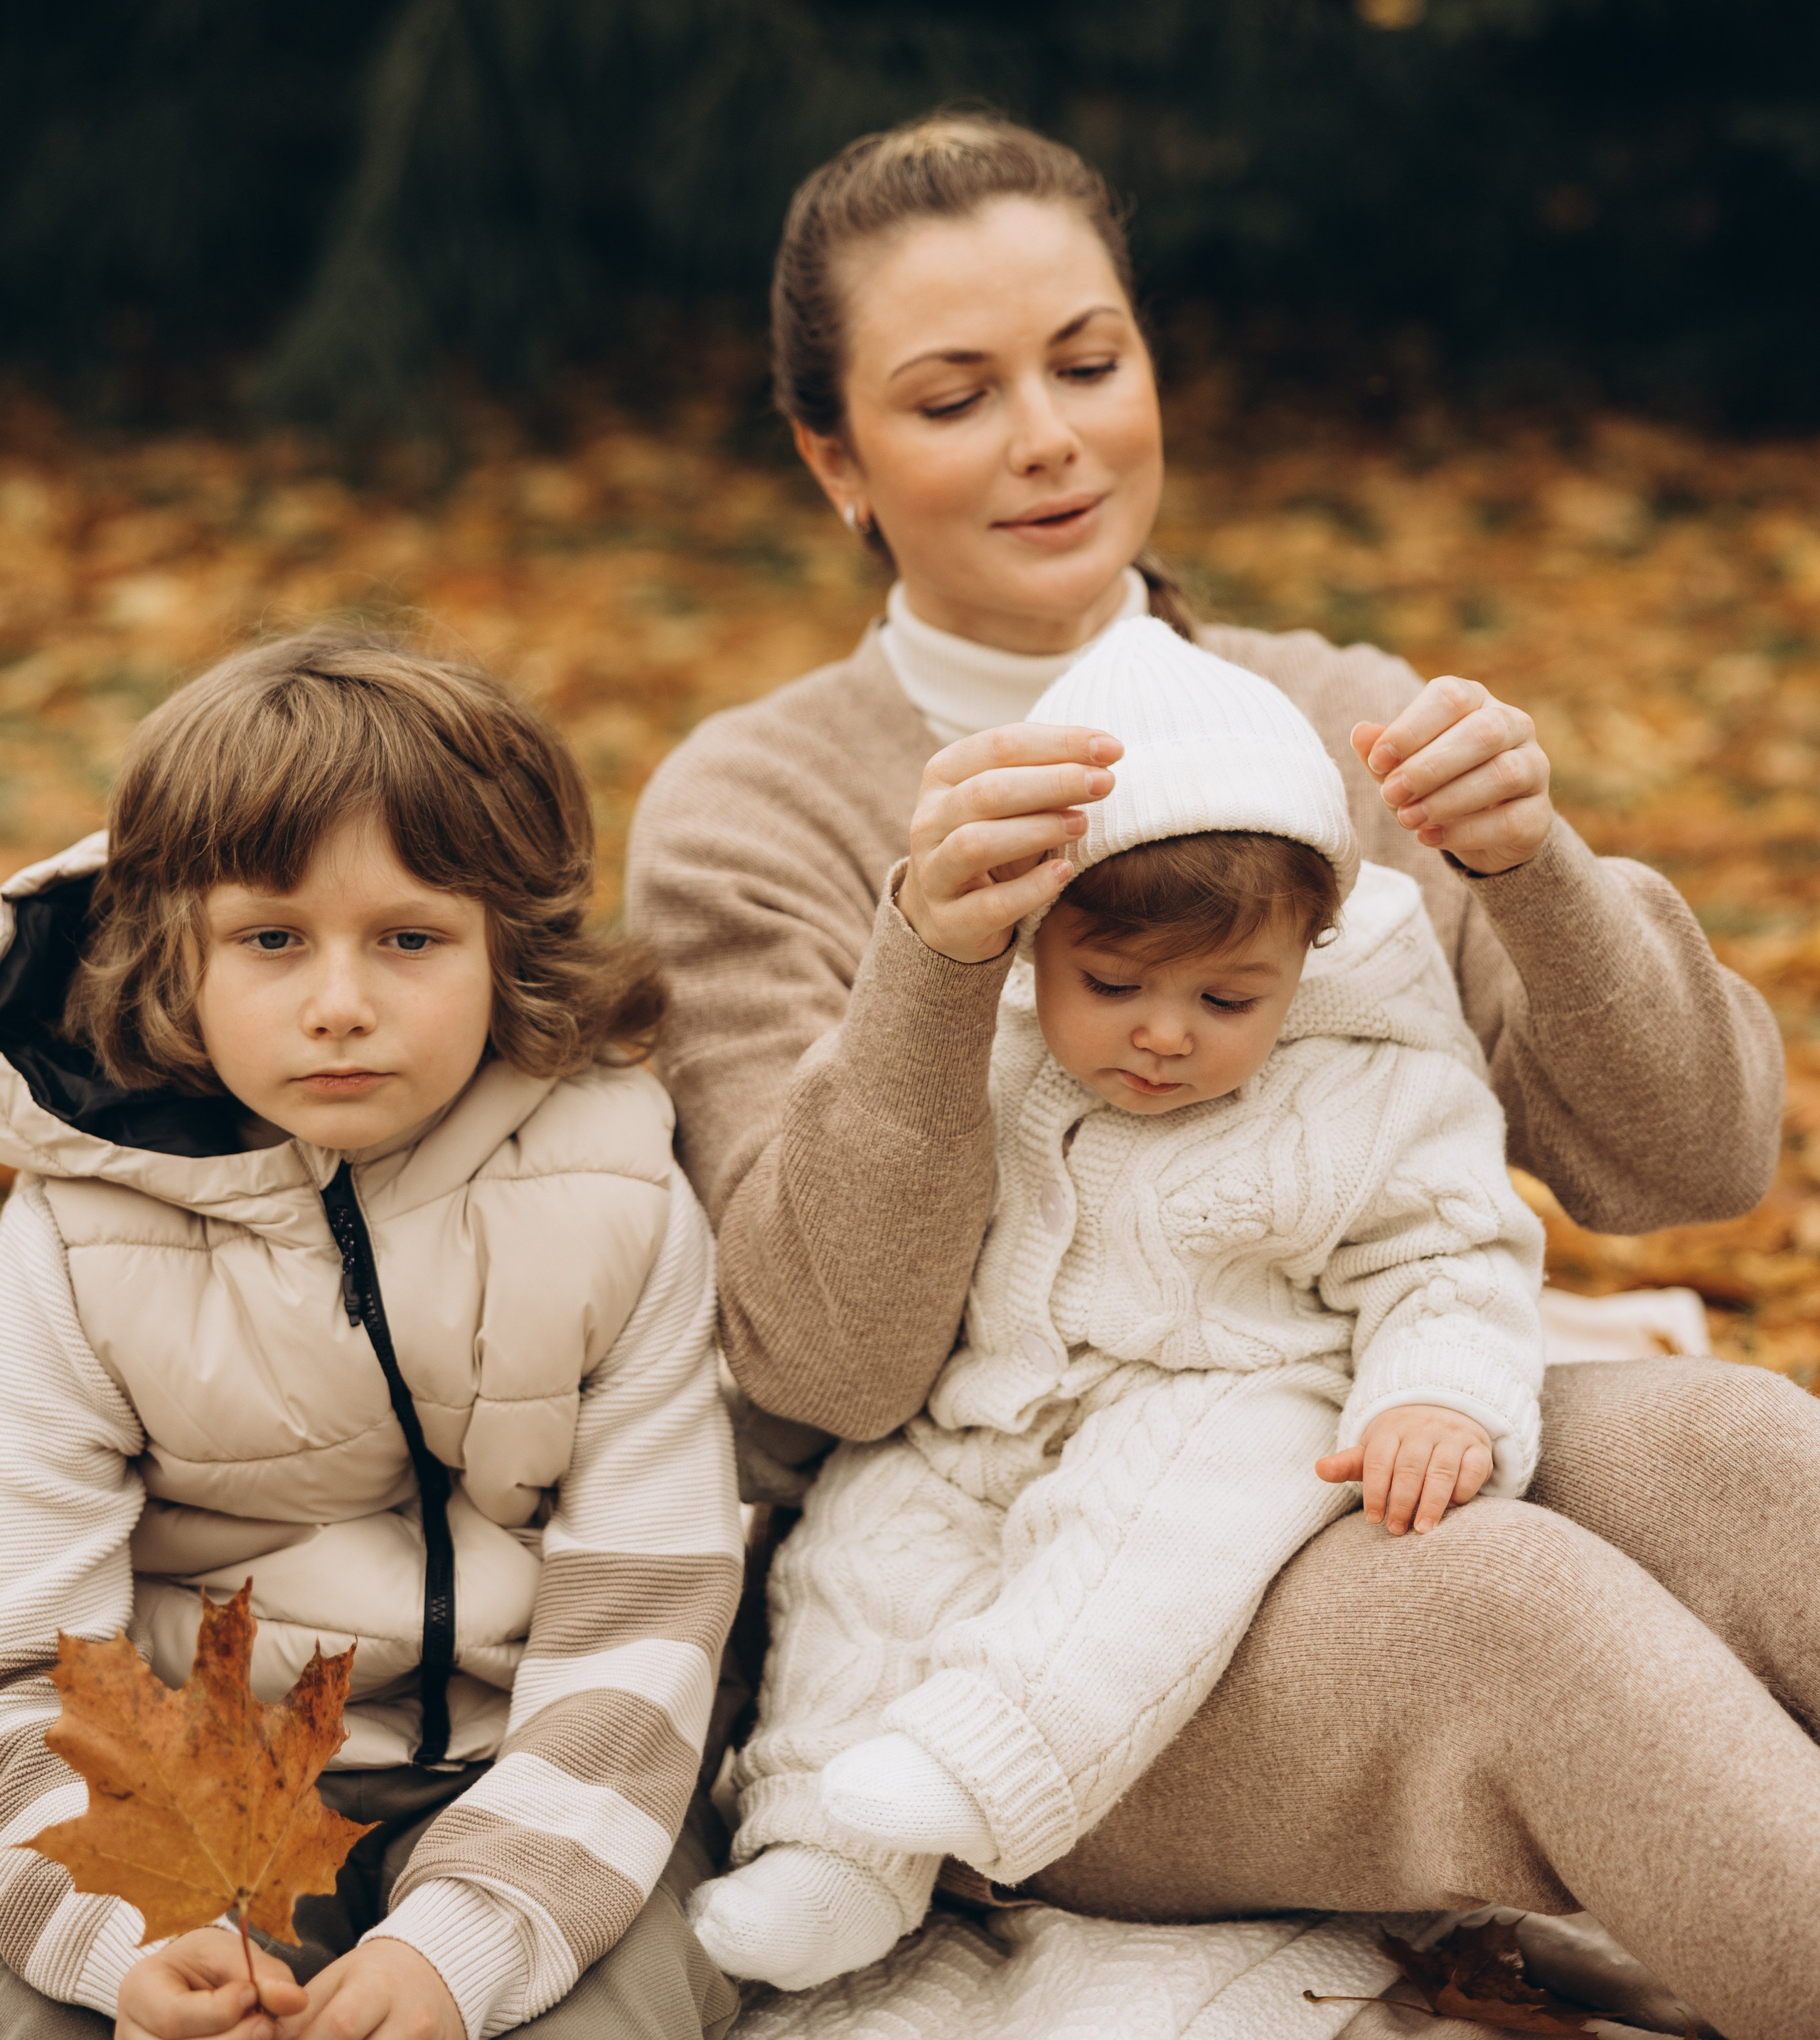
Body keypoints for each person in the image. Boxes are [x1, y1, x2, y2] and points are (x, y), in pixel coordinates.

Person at [627, 112, 1820, 2039]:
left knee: (1742, 1451)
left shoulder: (1331, 717)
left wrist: (1543, 879)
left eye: (1088, 362)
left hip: (1345, 1416)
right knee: (1511, 1614)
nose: (1049, 437)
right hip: (1010, 1593)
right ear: (833, 461)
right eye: (954, 396)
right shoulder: (758, 808)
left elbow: (1690, 1162)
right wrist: (930, 966)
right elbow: (823, 1365)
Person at [689, 620, 1548, 1990]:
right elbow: (845, 1220)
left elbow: (1448, 1254)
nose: (1163, 1032)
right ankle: (829, 1848)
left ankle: (985, 1765)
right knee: (866, 1553)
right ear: (1036, 937)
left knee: (1144, 1543)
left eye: (1229, 996)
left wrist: (1439, 1395)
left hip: (1230, 1396)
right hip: (986, 1414)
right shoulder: (977, 1045)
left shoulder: (1372, 1082)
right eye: (1112, 984)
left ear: (1311, 955)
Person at [0, 633, 742, 2040]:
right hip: (184, 1790)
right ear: (175, 958)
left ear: (508, 949)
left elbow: (641, 1627)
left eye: (409, 939)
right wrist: (132, 1927)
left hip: (552, 1774)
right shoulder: (68, 1242)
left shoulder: (622, 1198)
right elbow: (26, 1661)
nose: (339, 1004)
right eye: (271, 940)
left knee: (615, 2001)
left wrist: (468, 1944)